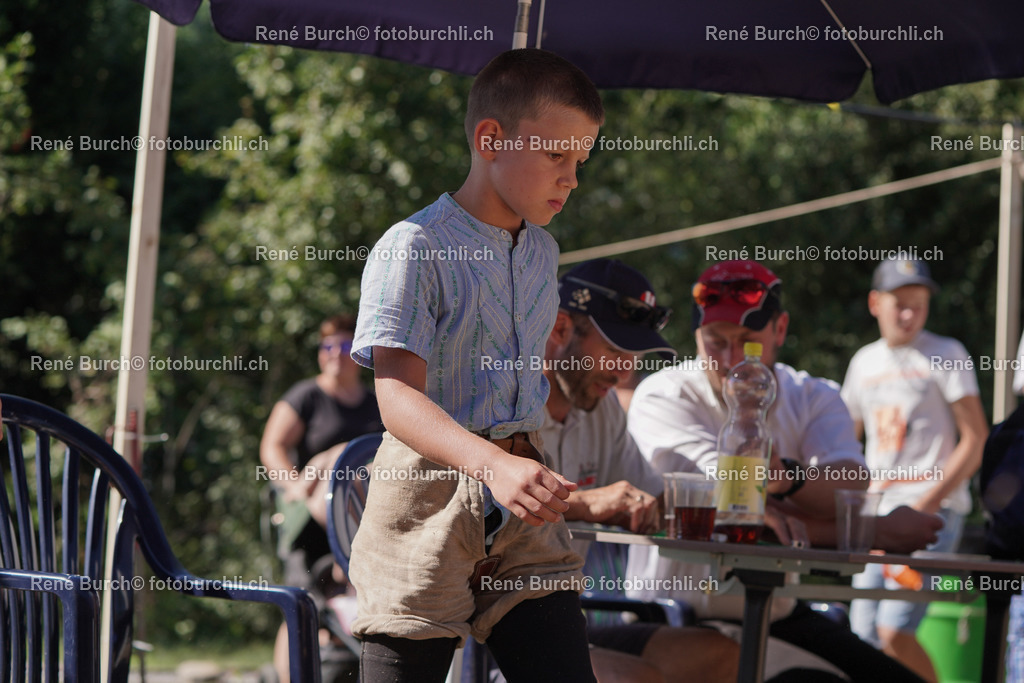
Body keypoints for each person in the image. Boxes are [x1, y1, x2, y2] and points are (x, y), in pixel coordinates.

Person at [348, 49, 604, 682]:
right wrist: (490, 463)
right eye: (556, 156)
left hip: (524, 504)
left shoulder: (544, 253)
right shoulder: (413, 247)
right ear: (491, 139)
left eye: (580, 162)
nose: (571, 179)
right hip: (423, 504)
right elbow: (396, 399)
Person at [626, 259, 941, 682]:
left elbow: (850, 484)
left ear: (780, 329)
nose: (732, 359)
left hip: (777, 610)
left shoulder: (814, 395)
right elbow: (723, 506)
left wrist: (784, 478)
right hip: (674, 612)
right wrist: (876, 531)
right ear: (695, 336)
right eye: (715, 342)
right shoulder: (663, 394)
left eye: (748, 342)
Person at [541, 258, 741, 682]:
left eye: (633, 355)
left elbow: (654, 502)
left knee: (722, 655)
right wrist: (586, 503)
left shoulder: (604, 408)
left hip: (569, 627)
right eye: (614, 350)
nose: (624, 371)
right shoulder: (502, 398)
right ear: (560, 329)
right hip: (489, 634)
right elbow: (485, 502)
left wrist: (741, 503)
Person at [841, 258, 989, 682]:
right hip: (875, 515)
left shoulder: (948, 353)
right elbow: (845, 442)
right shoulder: (863, 362)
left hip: (930, 511)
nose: (908, 315)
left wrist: (927, 506)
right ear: (875, 303)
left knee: (893, 630)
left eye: (918, 305)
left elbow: (976, 438)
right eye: (899, 304)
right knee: (862, 633)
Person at [260, 313, 383, 682]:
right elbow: (272, 447)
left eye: (344, 346)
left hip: (365, 518)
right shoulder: (307, 396)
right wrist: (296, 483)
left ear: (360, 353)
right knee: (300, 604)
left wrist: (335, 453)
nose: (334, 354)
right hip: (310, 520)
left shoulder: (377, 402)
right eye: (326, 346)